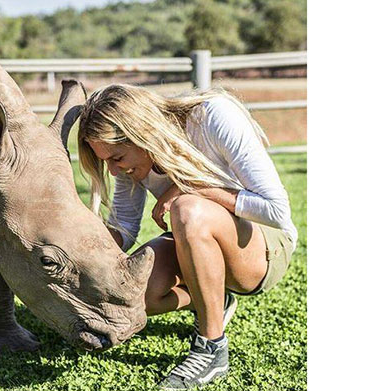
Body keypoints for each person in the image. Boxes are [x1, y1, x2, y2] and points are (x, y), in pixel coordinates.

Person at [77, 84, 297, 390]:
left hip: (263, 247)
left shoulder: (211, 117)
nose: (114, 171)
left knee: (188, 210)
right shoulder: (132, 163)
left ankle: (211, 346)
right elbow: (124, 227)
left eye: (116, 158)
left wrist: (193, 189)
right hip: (195, 244)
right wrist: (82, 261)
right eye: (107, 162)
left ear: (142, 134)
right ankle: (214, 299)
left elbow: (276, 210)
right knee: (134, 293)